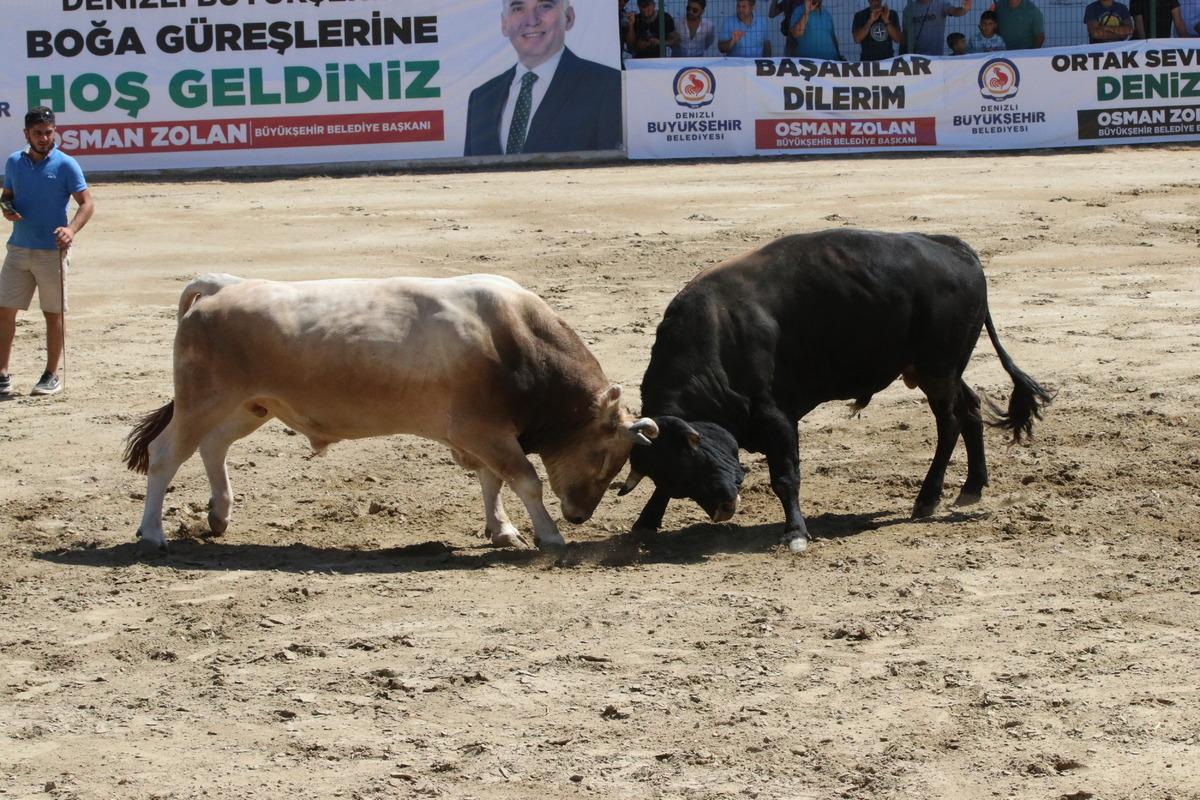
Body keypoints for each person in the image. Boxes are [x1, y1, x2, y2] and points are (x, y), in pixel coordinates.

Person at [1, 107, 93, 398]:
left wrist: (71, 230)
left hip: (51, 253)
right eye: (38, 133)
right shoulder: (14, 162)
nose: (44, 138)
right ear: (26, 133)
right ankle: (2, 373)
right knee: (4, 312)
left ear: (55, 131)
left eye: (48, 132)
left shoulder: (66, 165)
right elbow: (7, 196)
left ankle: (51, 374)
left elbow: (87, 203)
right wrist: (6, 209)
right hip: (17, 249)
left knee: (53, 314)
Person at [465, 0, 622, 156]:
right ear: (504, 24)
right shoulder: (481, 98)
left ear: (568, 18)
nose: (532, 21)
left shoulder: (608, 85)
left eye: (545, 6)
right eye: (518, 8)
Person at [901, 0, 971, 55]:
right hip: (916, 56)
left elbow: (954, 11)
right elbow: (905, 35)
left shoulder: (941, 3)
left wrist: (964, 9)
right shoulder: (908, 9)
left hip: (936, 56)